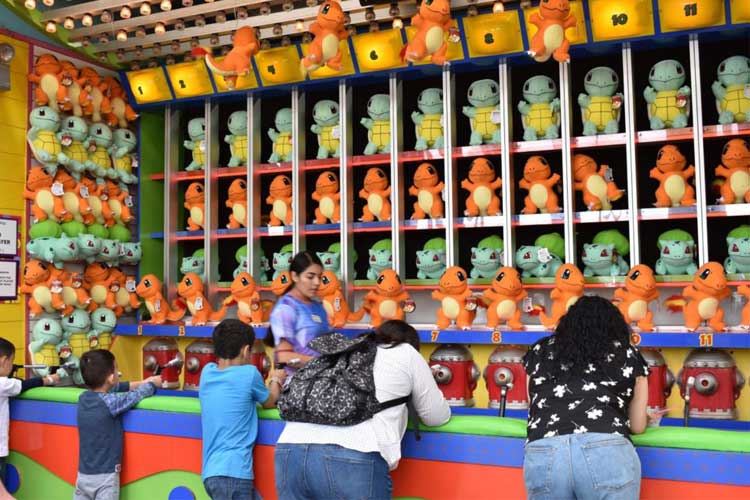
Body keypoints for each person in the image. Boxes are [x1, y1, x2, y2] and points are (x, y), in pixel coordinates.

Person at [274, 320, 451, 500]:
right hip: (353, 456)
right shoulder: (406, 351)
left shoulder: (345, 351)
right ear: (412, 344)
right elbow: (435, 416)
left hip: (289, 453)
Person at [522, 295, 650, 500]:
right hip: (607, 449)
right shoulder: (627, 354)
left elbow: (535, 405)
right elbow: (637, 425)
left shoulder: (540, 351)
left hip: (544, 450)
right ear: (615, 326)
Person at [199, 319, 287, 500]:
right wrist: (276, 379)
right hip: (236, 472)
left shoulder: (206, 373)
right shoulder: (249, 373)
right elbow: (269, 401)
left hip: (211, 474)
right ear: (246, 350)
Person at [74, 350, 161, 500]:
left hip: (83, 475)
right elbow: (136, 396)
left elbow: (115, 388)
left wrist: (142, 382)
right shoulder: (111, 403)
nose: (118, 372)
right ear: (110, 377)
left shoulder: (83, 398)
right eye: (116, 369)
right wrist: (152, 384)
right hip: (106, 477)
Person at [0, 338, 59, 491]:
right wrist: (50, 379)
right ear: (4, 360)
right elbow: (24, 385)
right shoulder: (3, 384)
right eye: (12, 361)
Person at [267, 251, 329, 371]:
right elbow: (284, 357)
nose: (317, 282)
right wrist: (323, 365)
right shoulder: (286, 308)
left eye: (320, 277)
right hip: (297, 383)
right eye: (310, 277)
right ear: (295, 276)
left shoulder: (318, 307)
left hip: (321, 378)